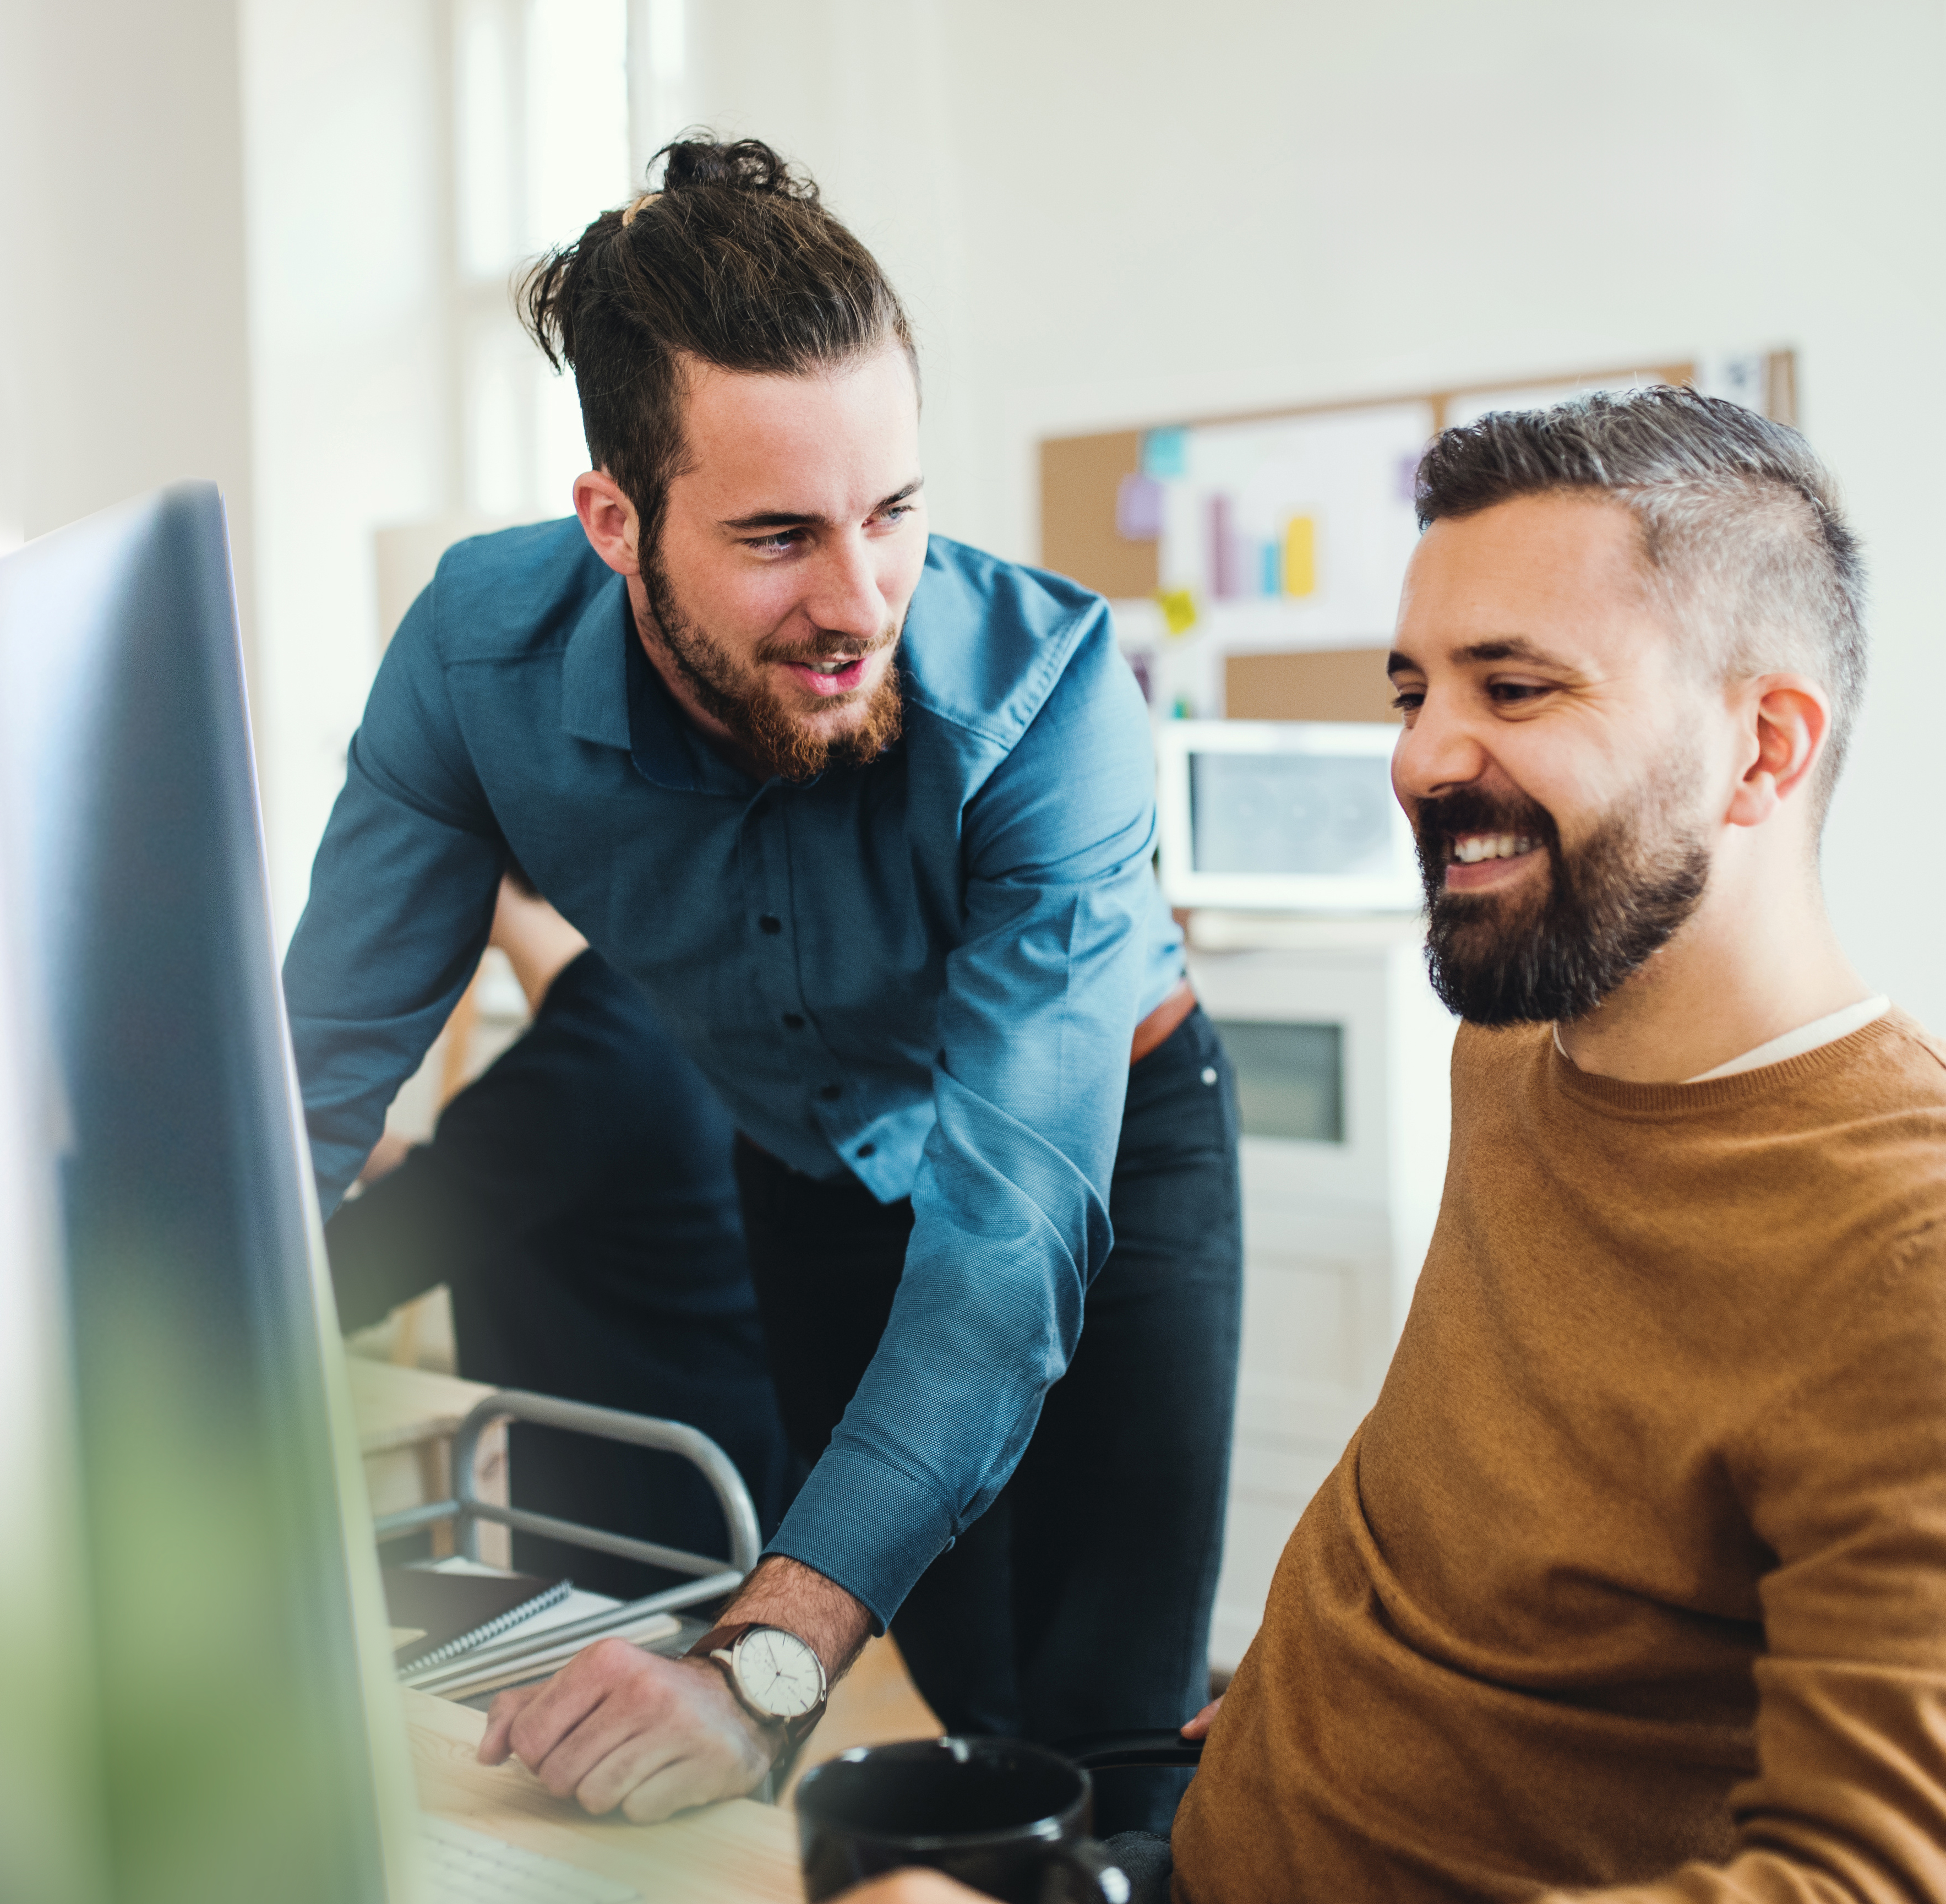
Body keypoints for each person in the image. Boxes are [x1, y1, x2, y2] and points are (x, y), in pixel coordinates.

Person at [852, 388, 1946, 1904]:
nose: (1417, 759)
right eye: (1412, 691)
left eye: (1513, 690)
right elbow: (1471, 1498)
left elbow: (1876, 1887)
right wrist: (1292, 1704)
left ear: (1761, 751)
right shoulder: (1517, 1046)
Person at [286, 137, 1242, 1831]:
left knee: (1101, 1721)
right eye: (779, 535)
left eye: (893, 513)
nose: (858, 601)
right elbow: (305, 1089)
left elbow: (1000, 1247)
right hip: (803, 1164)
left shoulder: (1051, 700)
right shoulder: (471, 664)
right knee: (967, 1699)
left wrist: (757, 1667)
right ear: (612, 522)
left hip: (1098, 1149)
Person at [325, 873, 786, 1601]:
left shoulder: (591, 1059)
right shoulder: (654, 1014)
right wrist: (363, 1142)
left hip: (650, 1535)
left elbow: (358, 1264)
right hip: (728, 1476)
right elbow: (508, 1180)